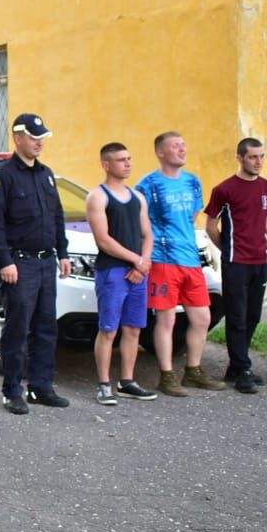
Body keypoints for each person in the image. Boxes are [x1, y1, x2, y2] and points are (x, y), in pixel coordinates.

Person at [0, 113, 71, 414]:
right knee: (17, 330)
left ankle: (40, 387)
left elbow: (57, 216)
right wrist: (5, 261)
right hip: (19, 265)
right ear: (18, 137)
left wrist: (63, 253)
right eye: (34, 137)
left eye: (42, 137)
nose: (39, 143)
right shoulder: (3, 176)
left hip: (46, 263)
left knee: (46, 327)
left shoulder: (46, 174)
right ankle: (12, 391)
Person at [134, 132, 222, 397]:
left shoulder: (193, 181)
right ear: (161, 152)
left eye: (183, 145)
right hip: (163, 260)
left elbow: (192, 217)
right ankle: (167, 375)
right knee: (167, 318)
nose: (182, 150)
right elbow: (141, 222)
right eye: (175, 146)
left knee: (202, 317)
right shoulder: (148, 184)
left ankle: (193, 370)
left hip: (190, 259)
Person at [205, 138, 267, 393]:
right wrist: (227, 249)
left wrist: (261, 234)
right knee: (236, 316)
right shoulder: (224, 190)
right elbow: (211, 226)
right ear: (240, 158)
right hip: (236, 262)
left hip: (261, 260)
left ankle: (236, 366)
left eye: (261, 156)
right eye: (252, 157)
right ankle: (244, 370)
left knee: (253, 316)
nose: (258, 162)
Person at [85, 143, 157, 405]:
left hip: (138, 272)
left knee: (134, 329)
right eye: (121, 160)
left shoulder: (138, 197)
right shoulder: (97, 197)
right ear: (106, 165)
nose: (127, 164)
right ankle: (104, 385)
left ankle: (127, 381)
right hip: (112, 271)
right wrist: (136, 260)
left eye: (129, 158)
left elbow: (147, 234)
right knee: (108, 330)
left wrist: (143, 263)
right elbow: (103, 240)